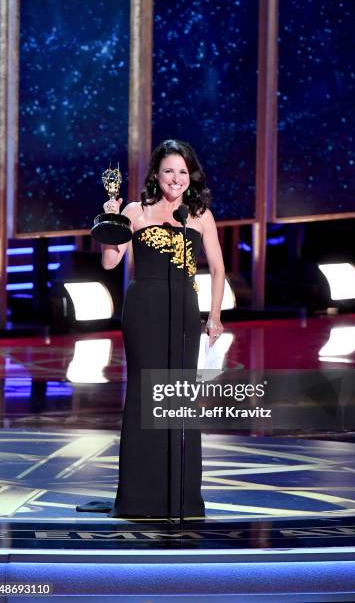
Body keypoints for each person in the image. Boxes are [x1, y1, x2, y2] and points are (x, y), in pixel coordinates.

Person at [102, 139, 224, 519]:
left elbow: (218, 269)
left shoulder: (199, 214)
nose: (176, 179)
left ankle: (182, 496)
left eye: (183, 172)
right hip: (144, 310)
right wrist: (112, 218)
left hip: (185, 312)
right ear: (156, 174)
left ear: (191, 177)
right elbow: (109, 263)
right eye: (169, 170)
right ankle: (139, 498)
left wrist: (214, 315)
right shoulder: (136, 211)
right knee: (144, 396)